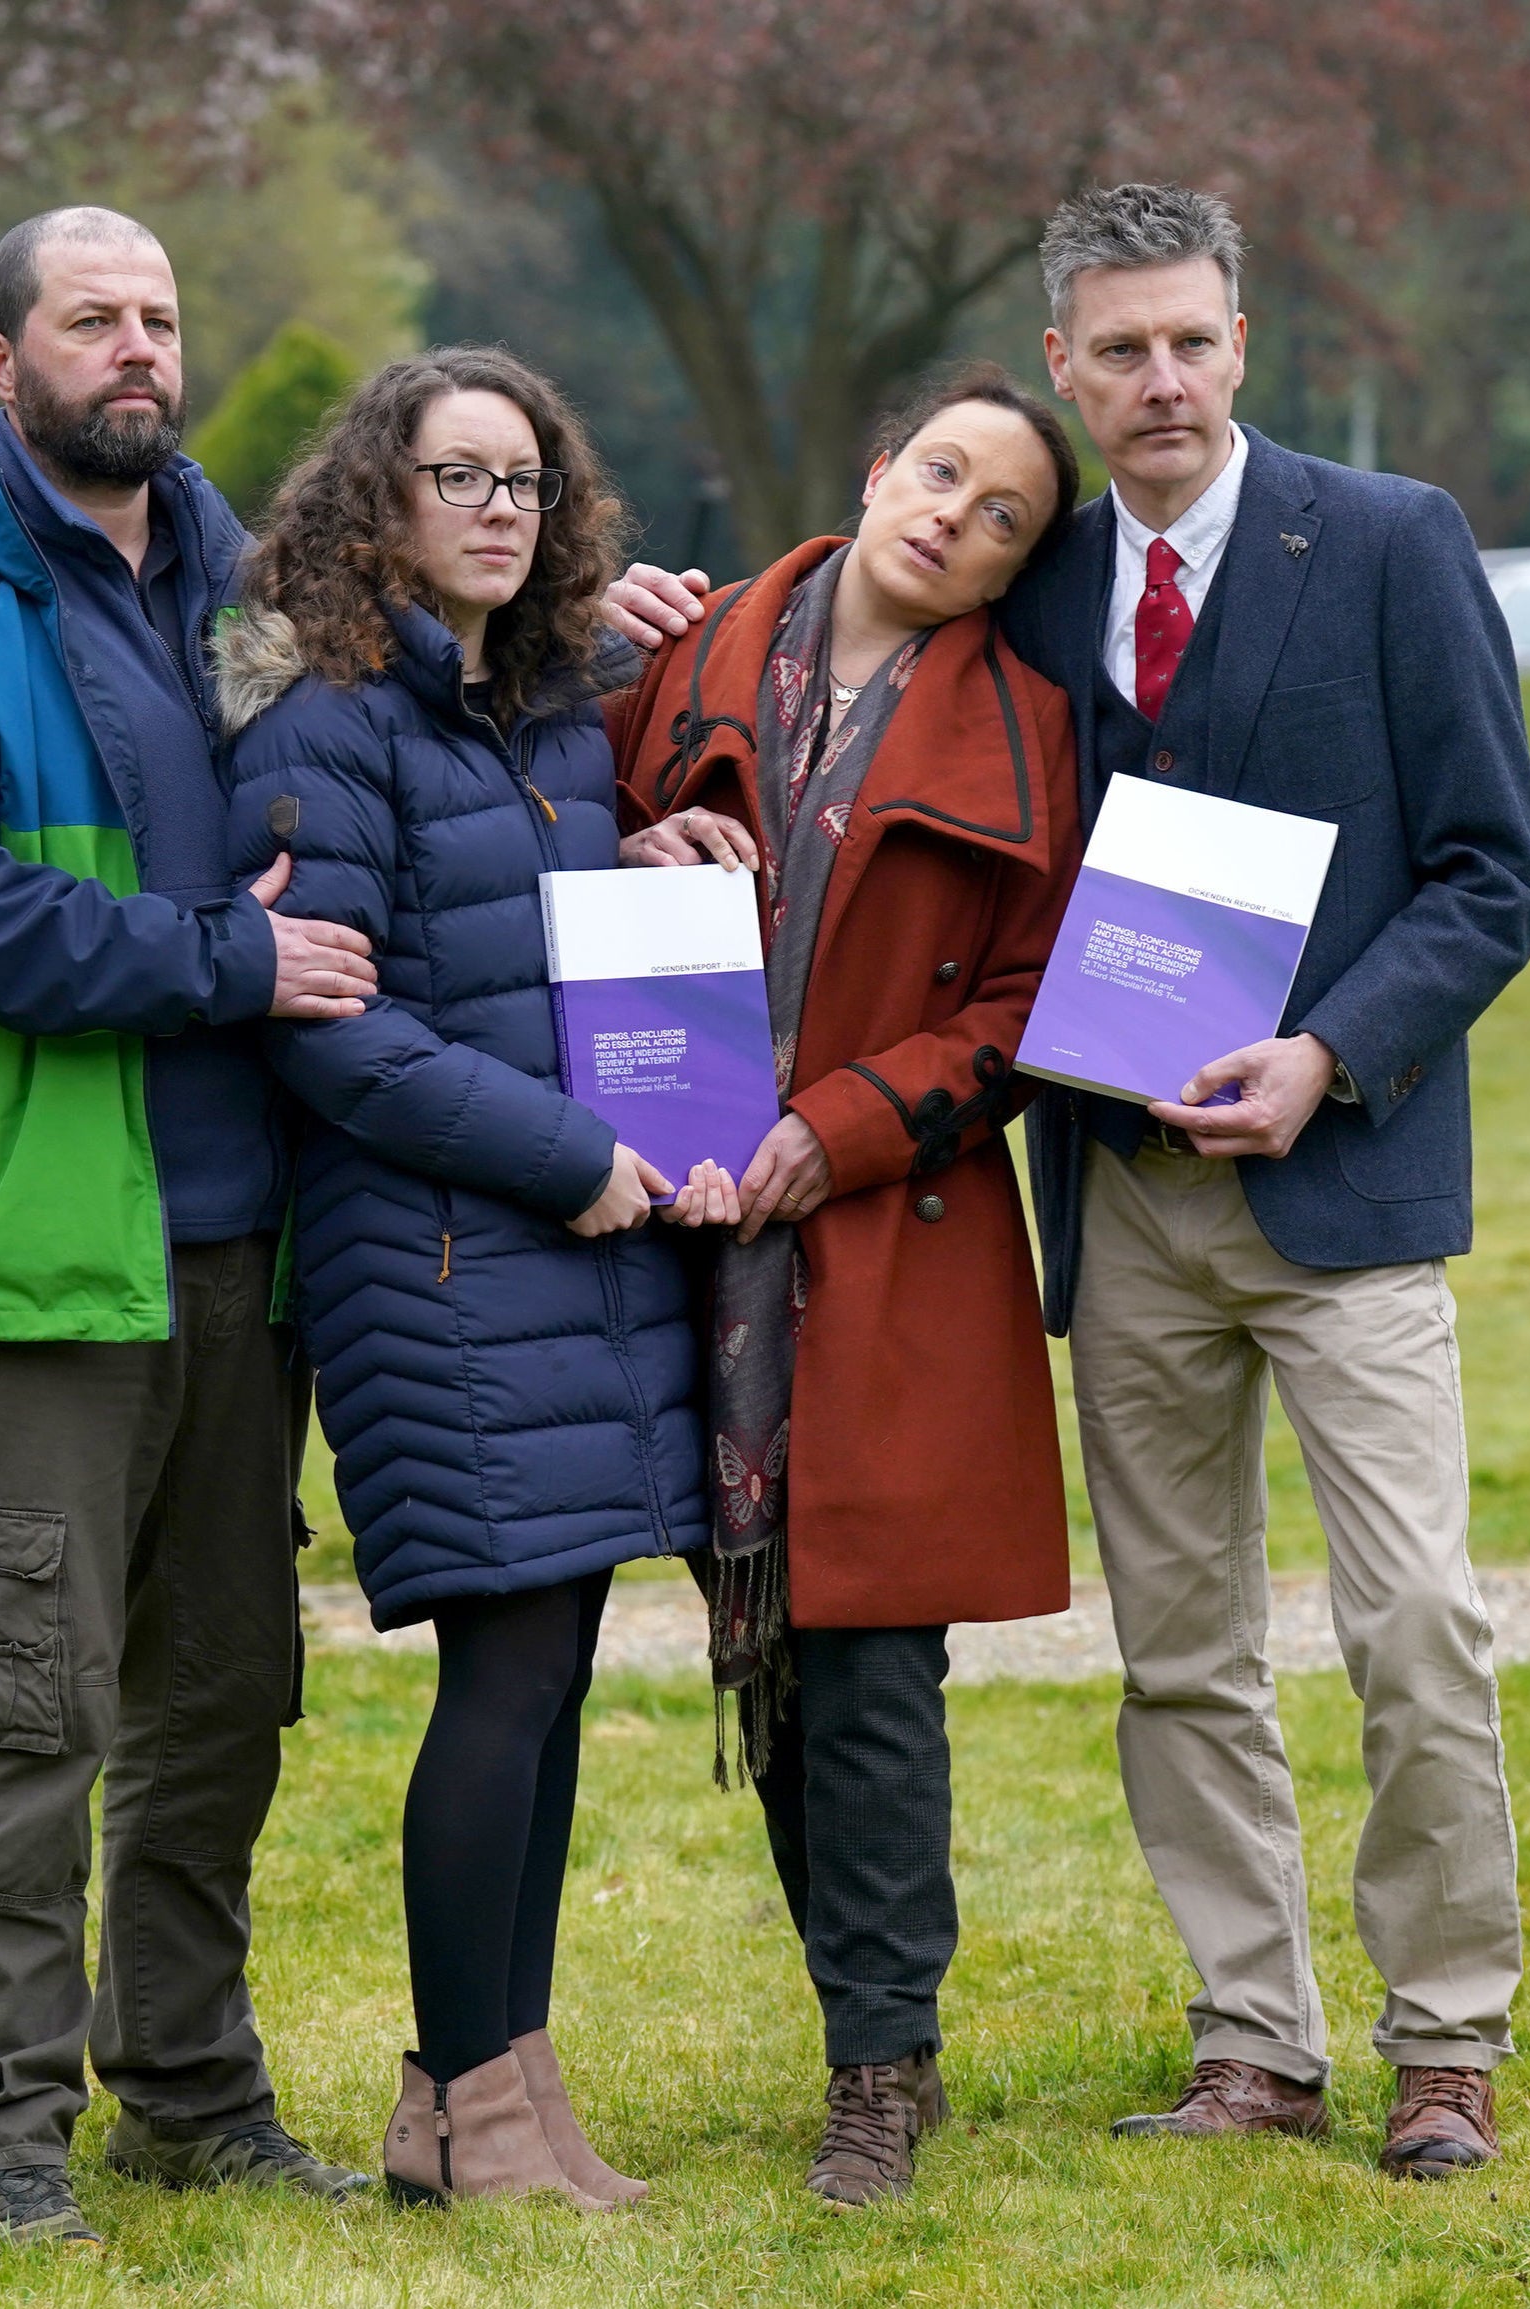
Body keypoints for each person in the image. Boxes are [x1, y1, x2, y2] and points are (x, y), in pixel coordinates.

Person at [608, 185, 1530, 2180]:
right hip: (1114, 1201)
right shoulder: (1022, 580)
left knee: (1413, 1625)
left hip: (1345, 1187)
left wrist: (1327, 1052)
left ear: (1241, 338)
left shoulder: (1389, 546)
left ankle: (1444, 2040)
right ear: (1060, 362)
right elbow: (832, 636)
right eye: (1115, 349)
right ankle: (1253, 2045)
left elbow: (1491, 873)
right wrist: (648, 622)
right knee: (1180, 1647)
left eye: (1189, 341)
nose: (1158, 379)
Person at [0, 206, 384, 2251]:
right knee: (29, 1707)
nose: (134, 348)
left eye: (156, 316)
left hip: (239, 1245)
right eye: (88, 320)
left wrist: (643, 689)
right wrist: (225, 958)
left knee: (220, 1700)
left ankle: (195, 2098)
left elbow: (376, 776)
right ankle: (2, 2136)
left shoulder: (239, 581)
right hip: (19, 1243)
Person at [214, 346, 713, 2212]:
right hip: (433, 1253)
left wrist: (646, 850)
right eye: (458, 477)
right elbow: (332, 1027)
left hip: (560, 1263)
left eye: (524, 482)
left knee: (553, 1667)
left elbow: (527, 940)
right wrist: (571, 1155)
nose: (498, 510)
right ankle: (471, 2103)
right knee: (503, 1674)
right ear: (380, 500)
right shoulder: (322, 719)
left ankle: (485, 2092)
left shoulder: (542, 716)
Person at [610, 362, 1082, 2208]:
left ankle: (880, 2067)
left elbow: (1031, 1007)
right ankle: (870, 2026)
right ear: (880, 466)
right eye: (942, 474)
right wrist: (625, 840)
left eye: (1001, 521)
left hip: (888, 1235)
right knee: (775, 1660)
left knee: (873, 1661)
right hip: (673, 1221)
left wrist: (850, 1126)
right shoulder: (678, 650)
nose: (952, 519)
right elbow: (523, 838)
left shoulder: (1033, 730)